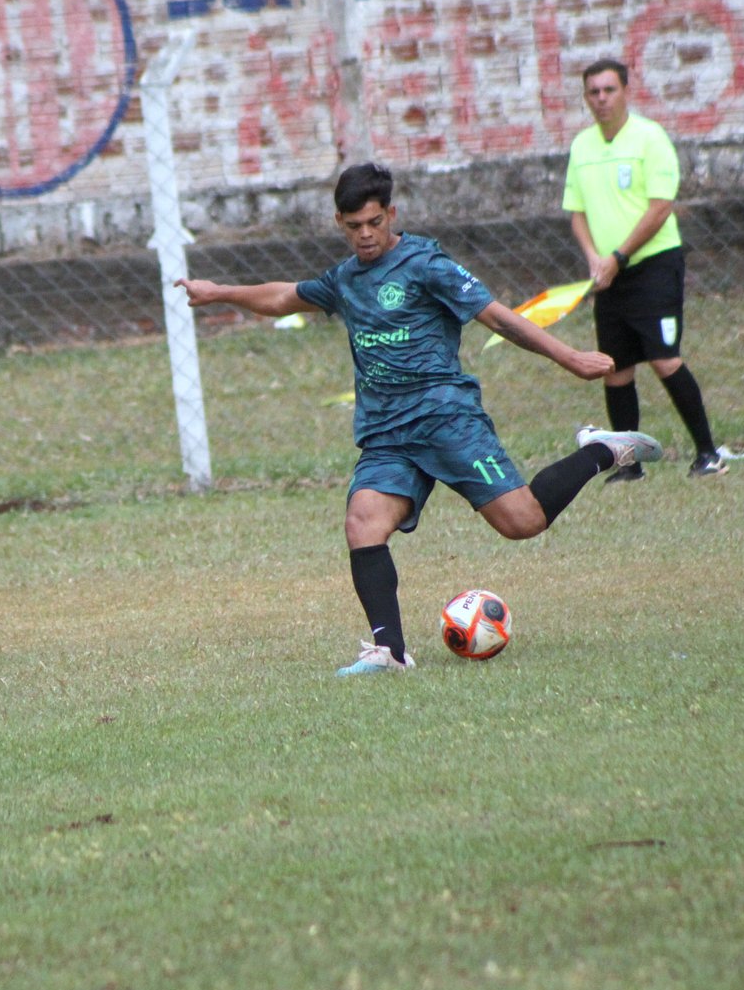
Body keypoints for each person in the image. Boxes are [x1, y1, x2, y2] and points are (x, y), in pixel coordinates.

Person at [174, 162, 664, 675]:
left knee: (524, 523)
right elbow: (283, 296)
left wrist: (569, 357)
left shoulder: (426, 263)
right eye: (352, 226)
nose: (364, 235)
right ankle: (389, 651)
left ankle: (602, 449)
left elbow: (497, 316)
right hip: (388, 434)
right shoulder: (344, 280)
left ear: (391, 213)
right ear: (339, 223)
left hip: (445, 418)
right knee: (363, 522)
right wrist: (219, 293)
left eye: (373, 222)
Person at [563, 58, 726, 480]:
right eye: (593, 92)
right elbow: (576, 213)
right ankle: (627, 465)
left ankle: (708, 453)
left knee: (664, 359)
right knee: (614, 368)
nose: (601, 99)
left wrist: (618, 257)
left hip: (652, 266)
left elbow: (660, 208)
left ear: (625, 92)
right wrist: (595, 259)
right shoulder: (582, 147)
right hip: (608, 274)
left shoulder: (649, 139)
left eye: (608, 90)